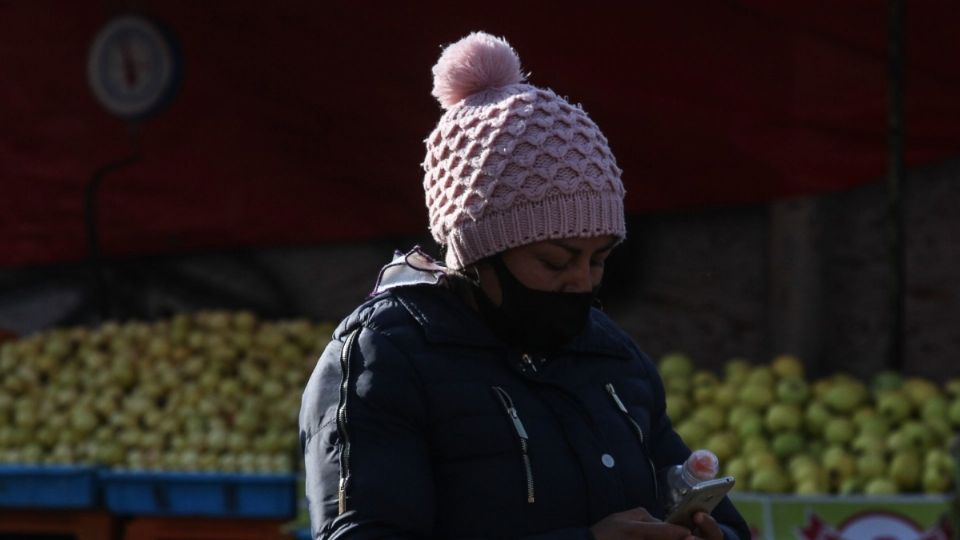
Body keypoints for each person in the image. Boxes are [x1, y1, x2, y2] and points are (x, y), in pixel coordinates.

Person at [300, 31, 750, 540]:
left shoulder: (609, 358)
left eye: (599, 260)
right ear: (478, 253)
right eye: (555, 261)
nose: (580, 282)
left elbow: (714, 510)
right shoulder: (384, 360)